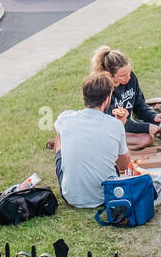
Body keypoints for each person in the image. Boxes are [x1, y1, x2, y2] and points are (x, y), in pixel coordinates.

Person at [52, 73, 132, 209]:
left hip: (71, 196)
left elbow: (59, 127)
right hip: (106, 194)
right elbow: (124, 165)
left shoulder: (65, 118)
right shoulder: (115, 125)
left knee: (59, 136)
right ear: (107, 100)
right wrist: (120, 126)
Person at [90, 46, 161, 140]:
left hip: (124, 125)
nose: (128, 77)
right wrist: (146, 127)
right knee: (146, 139)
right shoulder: (102, 90)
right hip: (108, 130)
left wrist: (153, 116)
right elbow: (114, 123)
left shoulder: (130, 78)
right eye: (123, 75)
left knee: (149, 136)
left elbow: (139, 105)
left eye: (129, 72)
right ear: (109, 75)